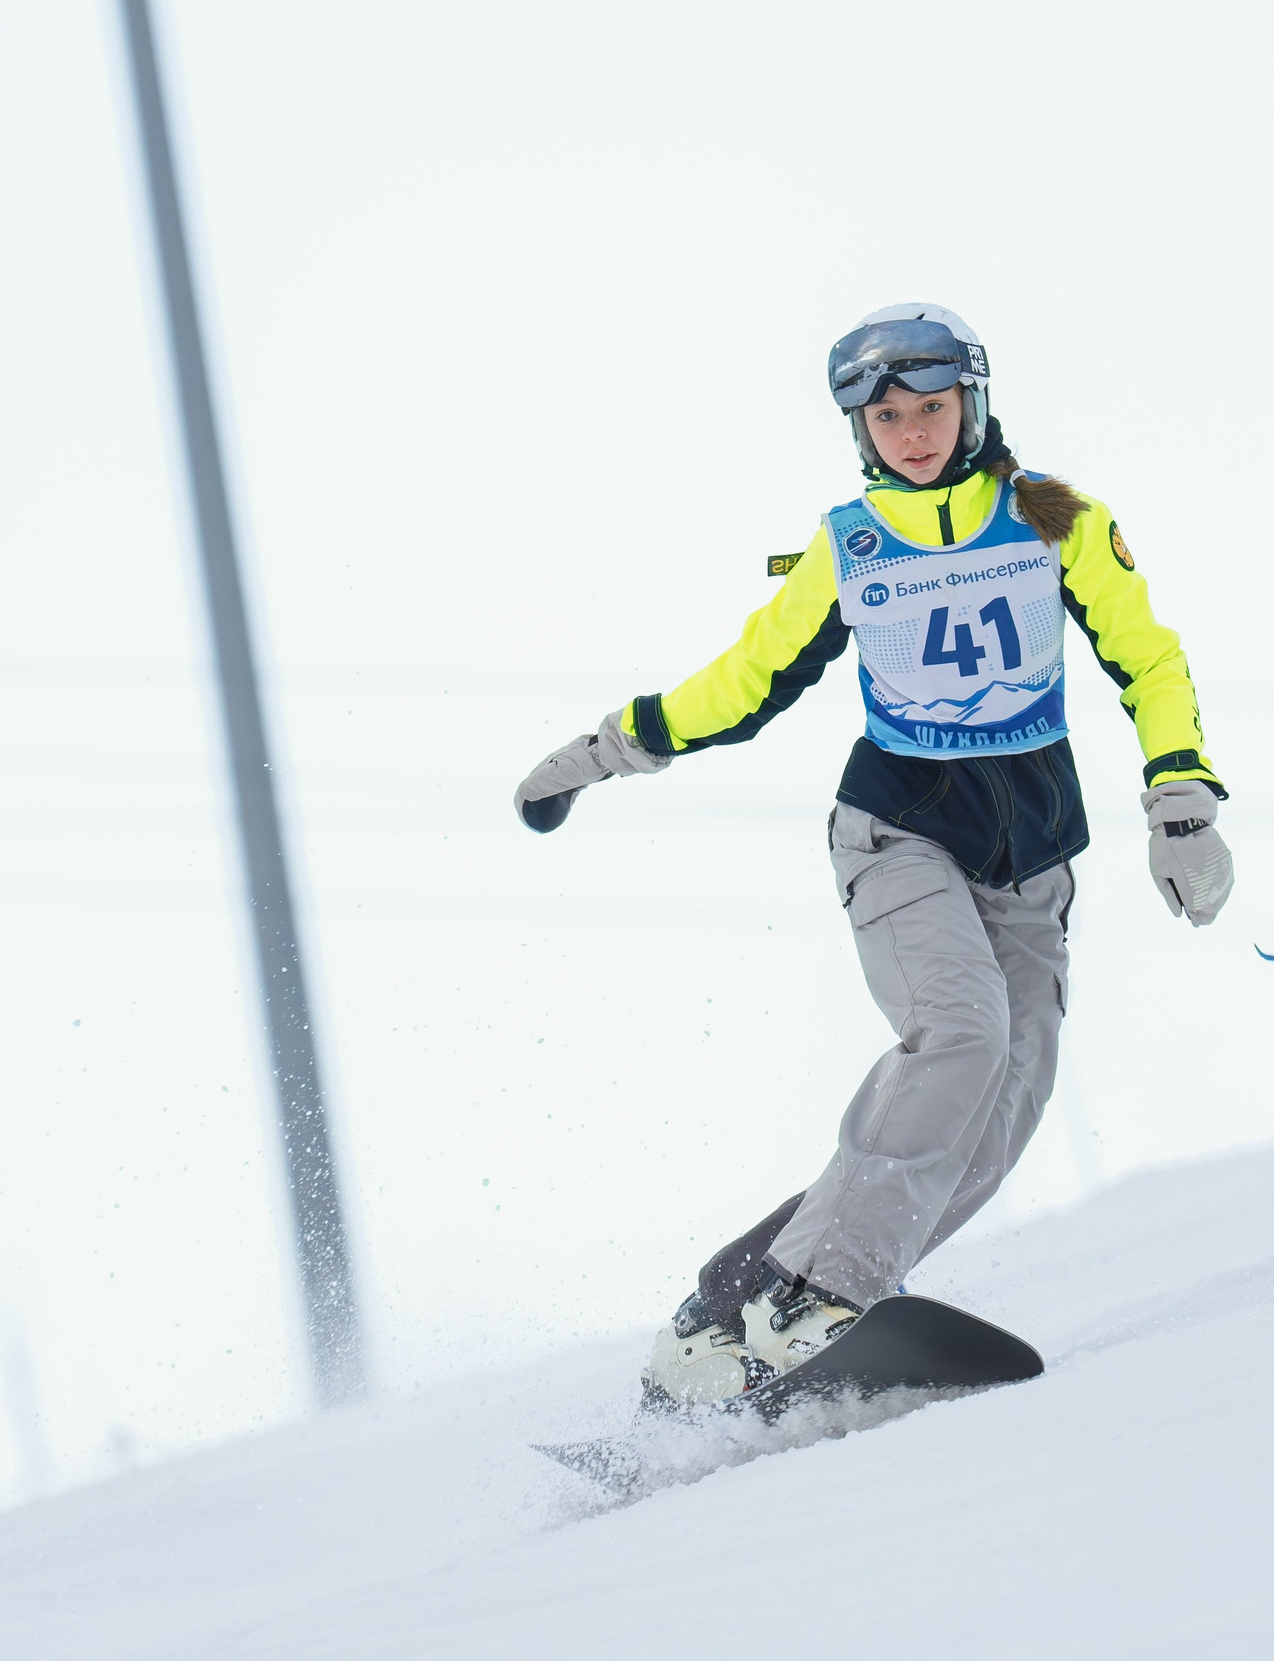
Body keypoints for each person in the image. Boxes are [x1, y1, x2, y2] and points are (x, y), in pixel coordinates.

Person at [512, 304, 1236, 1406]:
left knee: (1002, 1105)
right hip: (898, 829)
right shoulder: (850, 543)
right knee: (959, 1033)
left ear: (973, 404)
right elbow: (747, 679)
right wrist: (612, 747)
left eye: (931, 409)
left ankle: (753, 1300)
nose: (911, 434)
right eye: (887, 416)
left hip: (1029, 851)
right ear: (859, 427)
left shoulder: (1054, 518)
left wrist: (1179, 796)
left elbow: (1148, 657)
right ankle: (814, 1297)